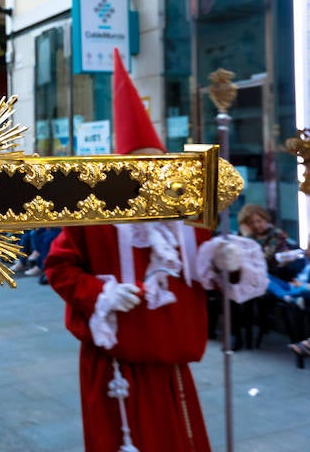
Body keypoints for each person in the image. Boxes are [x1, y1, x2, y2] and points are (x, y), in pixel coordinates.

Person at [44, 49, 268, 452]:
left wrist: (228, 264)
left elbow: (212, 276)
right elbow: (59, 268)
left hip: (173, 363)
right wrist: (101, 294)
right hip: (116, 362)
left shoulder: (186, 216)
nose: (151, 178)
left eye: (157, 165)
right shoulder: (95, 215)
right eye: (141, 167)